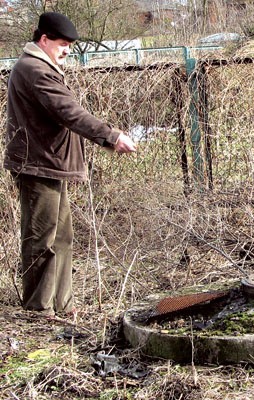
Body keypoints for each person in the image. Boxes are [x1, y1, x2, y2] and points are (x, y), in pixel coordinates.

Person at [3, 12, 136, 319]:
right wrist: (111, 136)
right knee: (41, 240)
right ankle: (39, 309)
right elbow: (69, 112)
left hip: (48, 163)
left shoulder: (40, 66)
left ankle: (62, 303)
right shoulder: (35, 70)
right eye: (62, 44)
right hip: (37, 165)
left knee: (61, 239)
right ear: (44, 40)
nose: (66, 51)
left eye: (69, 46)